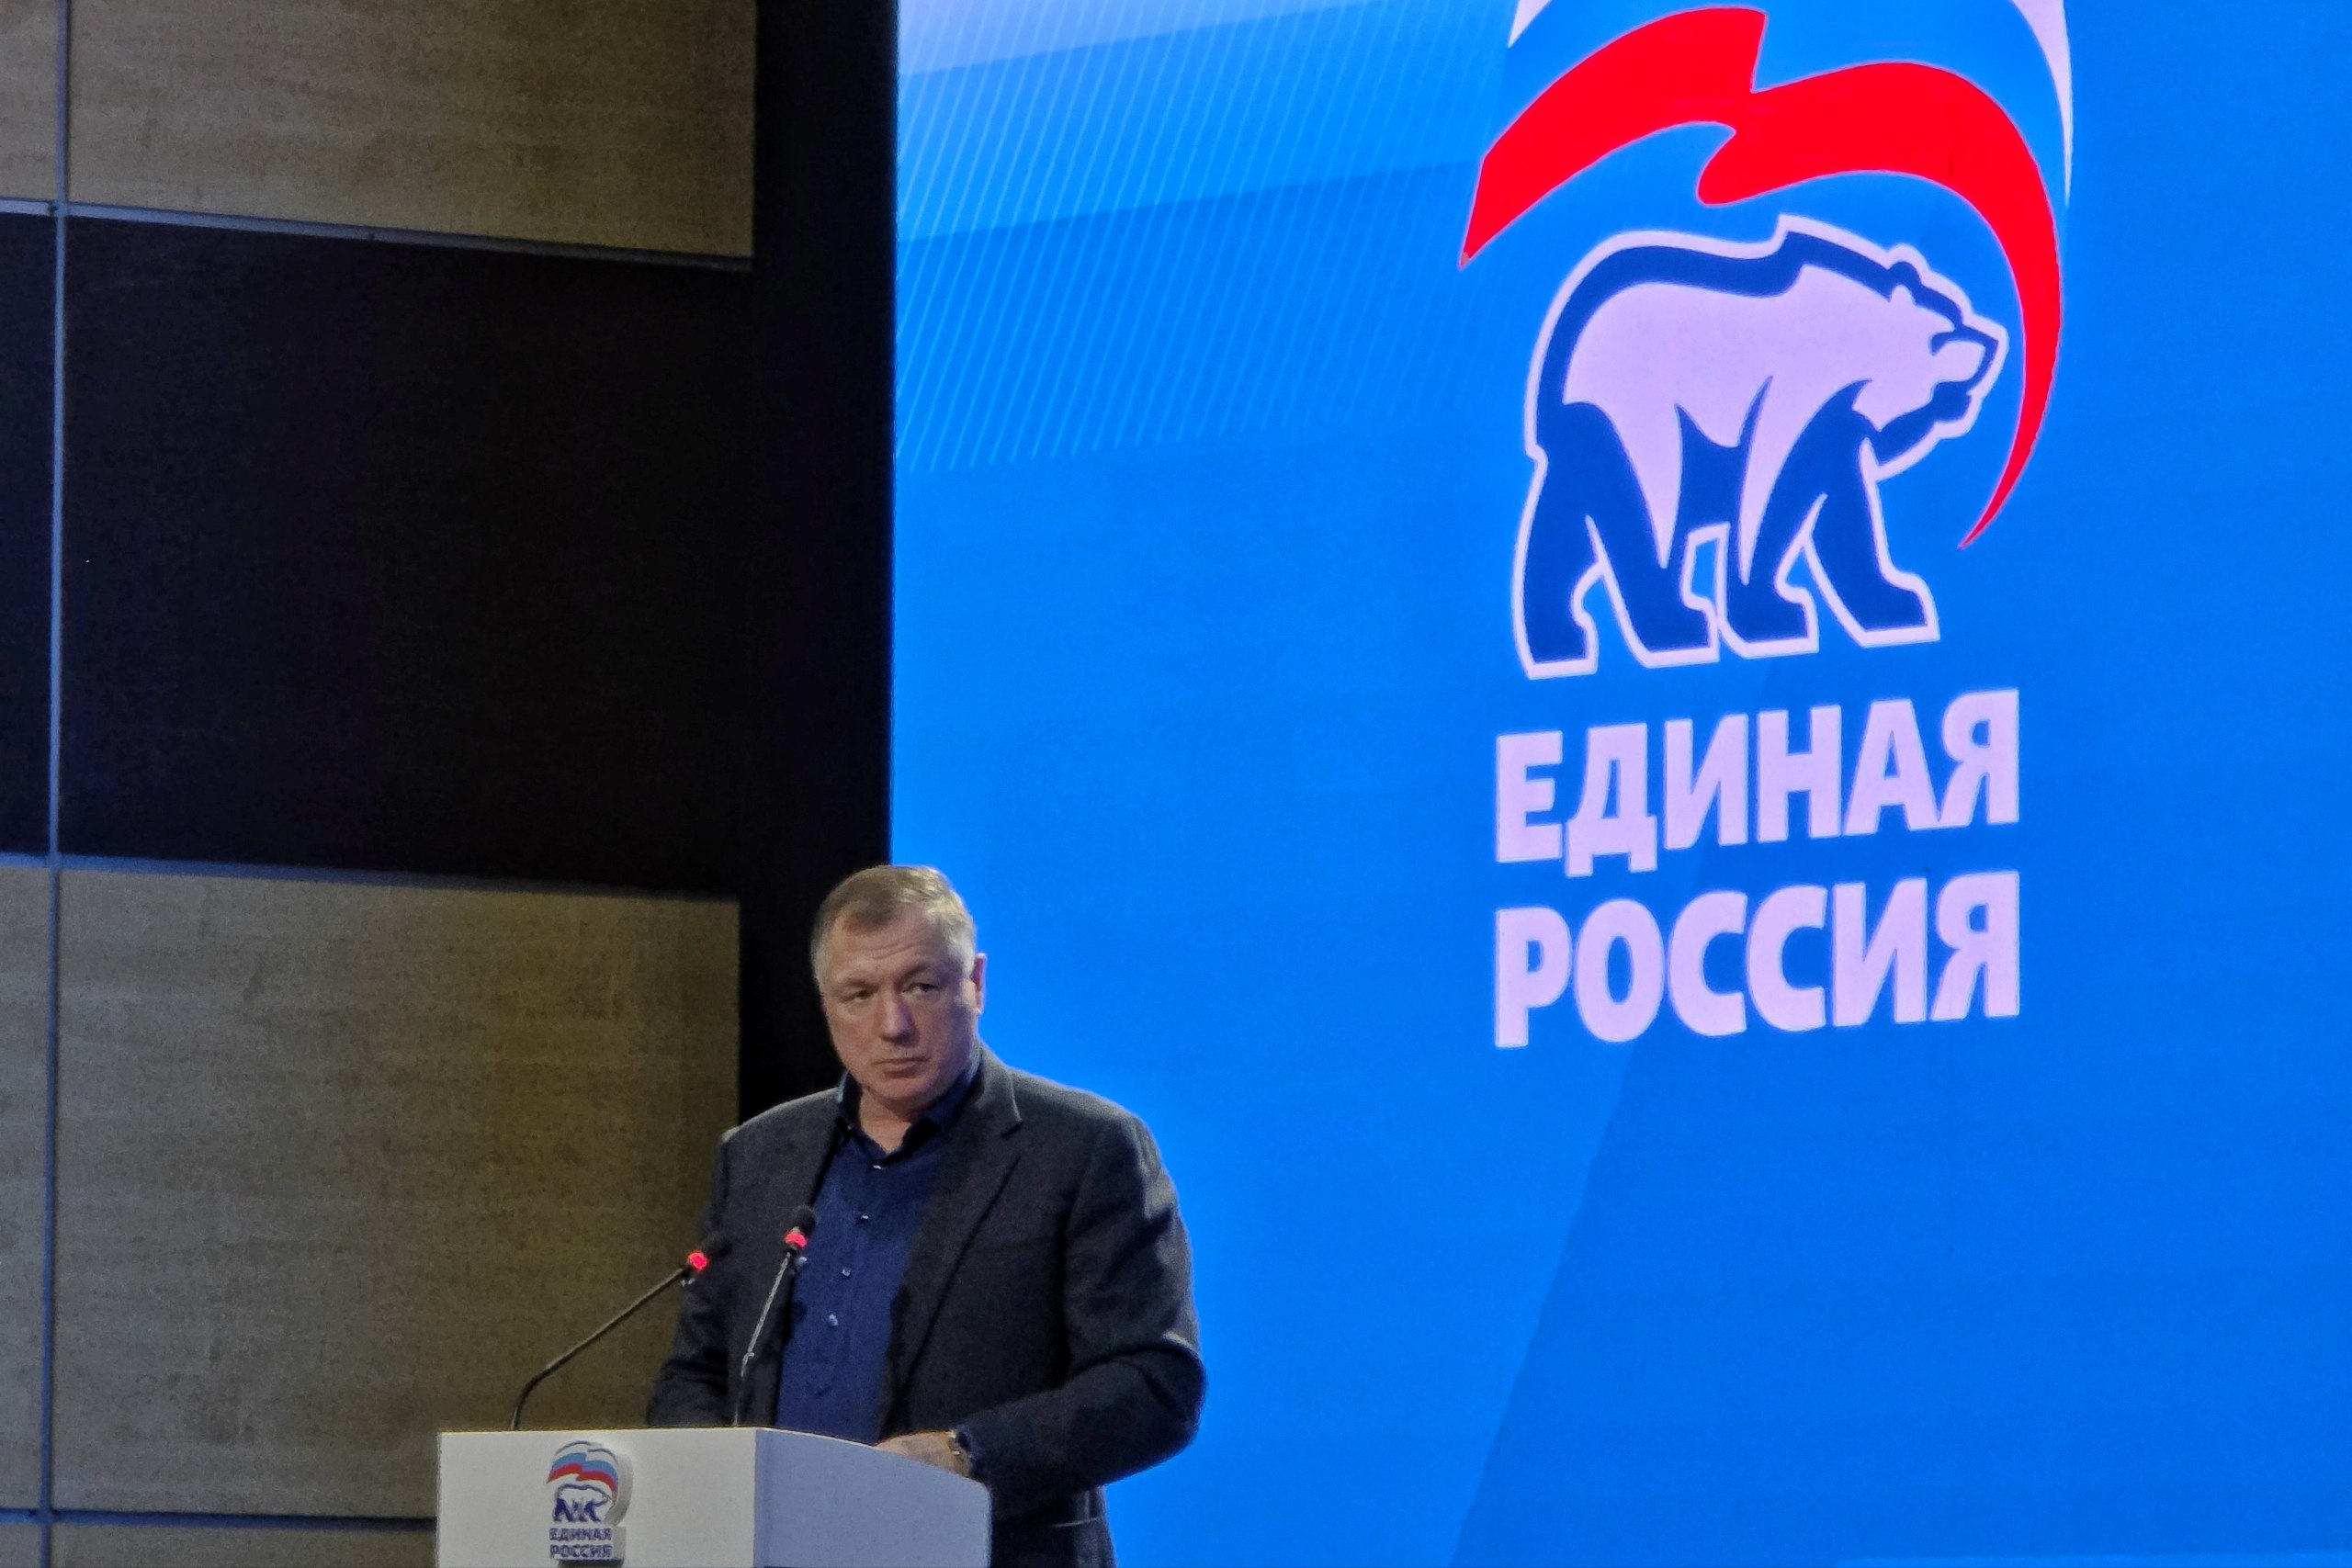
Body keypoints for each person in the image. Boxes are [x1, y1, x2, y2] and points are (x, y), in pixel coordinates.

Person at [649, 864, 1204, 1567]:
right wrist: (716, 1485)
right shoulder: (758, 1154)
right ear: (825, 1002)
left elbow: (1154, 1384)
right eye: (859, 994)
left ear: (975, 982)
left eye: (920, 986)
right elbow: (695, 1374)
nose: (893, 1025)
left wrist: (966, 1455)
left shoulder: (1085, 1148)